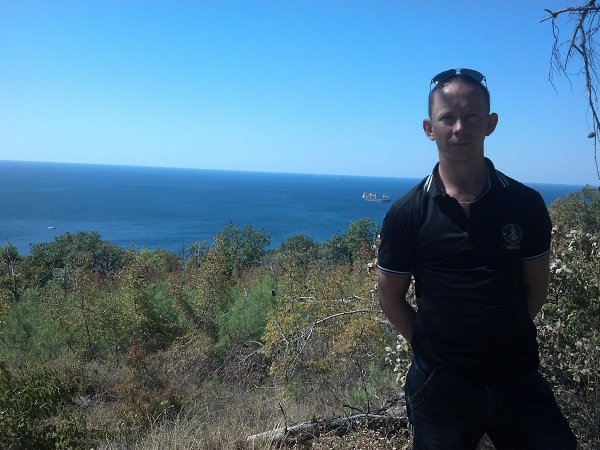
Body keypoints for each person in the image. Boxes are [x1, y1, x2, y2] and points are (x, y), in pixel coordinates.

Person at [377, 68, 577, 449]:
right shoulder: (407, 213)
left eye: (471, 116)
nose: (459, 128)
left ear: (490, 123)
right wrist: (431, 349)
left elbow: (536, 288)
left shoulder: (525, 204)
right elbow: (390, 297)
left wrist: (499, 336)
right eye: (447, 118)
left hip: (517, 376)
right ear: (429, 129)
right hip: (440, 385)